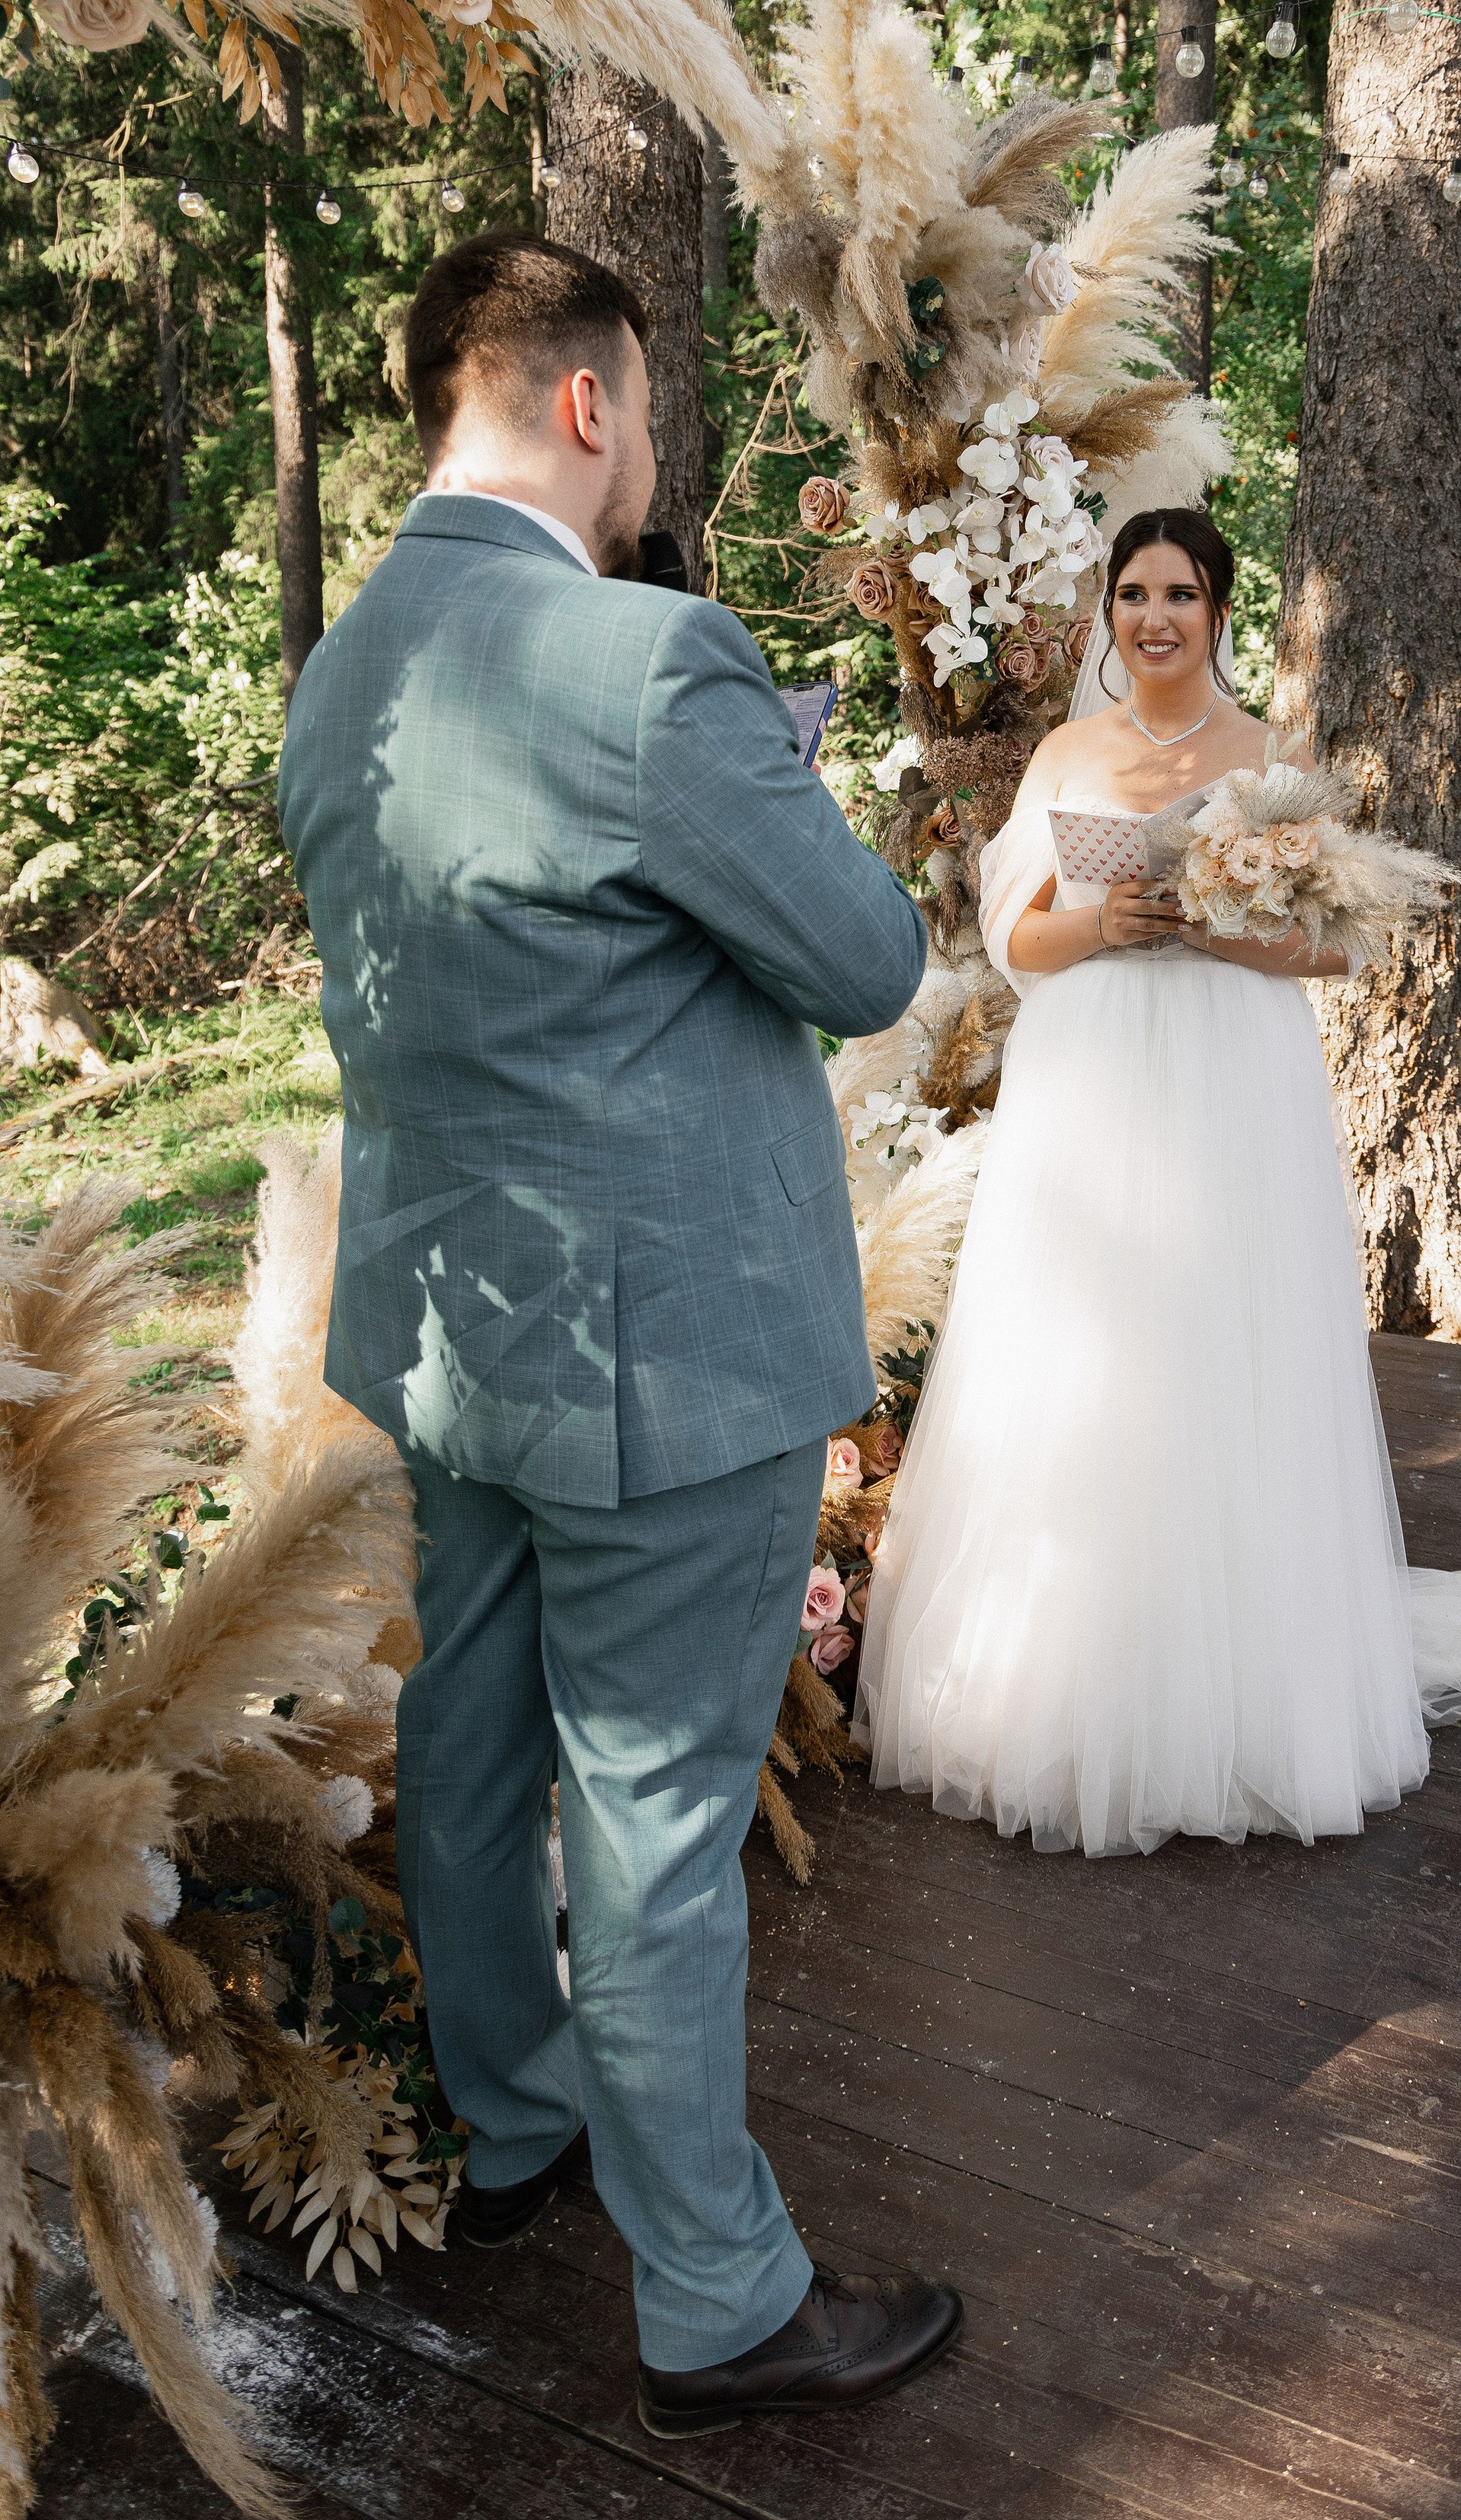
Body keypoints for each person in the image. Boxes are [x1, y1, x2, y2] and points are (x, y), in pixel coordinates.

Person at [279, 232, 959, 2439]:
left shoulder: (341, 664)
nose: (652, 446)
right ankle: (720, 2298)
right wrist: (777, 771)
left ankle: (514, 2129)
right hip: (664, 1349)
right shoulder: (651, 665)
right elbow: (864, 959)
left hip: (457, 1331)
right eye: (649, 410)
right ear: (586, 406)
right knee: (658, 1818)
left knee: (473, 1742)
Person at [855, 508, 1461, 1858]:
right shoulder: (1068, 755)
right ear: (1109, 618)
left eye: (1179, 594)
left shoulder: (1268, 764)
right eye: (1131, 595)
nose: (1153, 618)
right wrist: (1109, 920)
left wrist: (1222, 923)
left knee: (1220, 1349)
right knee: (1078, 1354)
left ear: (1219, 612)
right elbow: (1016, 938)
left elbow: (1330, 955)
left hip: (1231, 1083)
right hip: (1092, 1078)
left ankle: (1238, 1684)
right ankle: (1062, 1676)